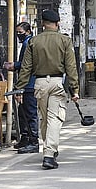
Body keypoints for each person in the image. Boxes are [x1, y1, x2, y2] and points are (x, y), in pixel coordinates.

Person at [15, 9, 79, 170]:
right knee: (55, 118)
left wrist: (19, 88)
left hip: (39, 84)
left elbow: (25, 67)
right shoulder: (64, 41)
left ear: (43, 24)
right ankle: (49, 154)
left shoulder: (33, 41)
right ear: (57, 24)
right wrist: (74, 89)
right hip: (57, 82)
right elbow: (71, 67)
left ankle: (49, 148)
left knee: (45, 118)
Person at [3, 22, 39, 153]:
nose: (18, 35)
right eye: (17, 32)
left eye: (20, 33)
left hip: (29, 84)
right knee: (23, 112)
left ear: (28, 31)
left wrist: (15, 66)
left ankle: (32, 139)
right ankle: (25, 138)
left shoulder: (28, 44)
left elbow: (26, 66)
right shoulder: (29, 43)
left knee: (29, 113)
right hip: (28, 83)